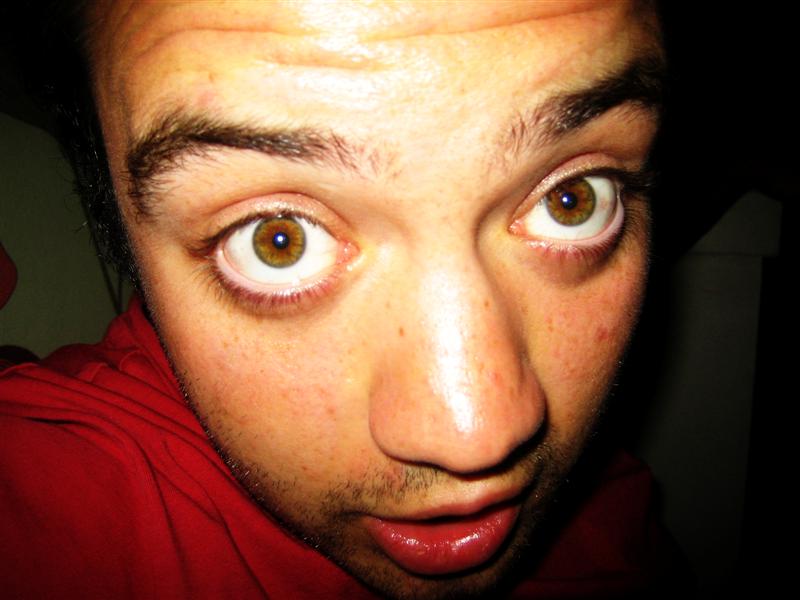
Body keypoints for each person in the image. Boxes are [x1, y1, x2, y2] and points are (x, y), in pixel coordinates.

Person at [1, 1, 689, 598]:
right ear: (121, 226)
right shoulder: (54, 524)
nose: (476, 439)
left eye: (572, 200)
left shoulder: (619, 523)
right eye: (279, 240)